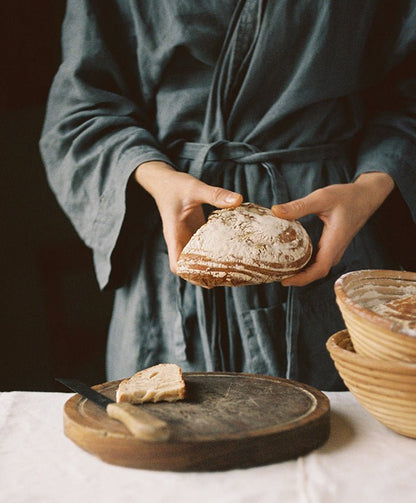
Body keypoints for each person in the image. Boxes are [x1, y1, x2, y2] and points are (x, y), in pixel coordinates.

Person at [40, 0, 416, 390]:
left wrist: (372, 185)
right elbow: (81, 109)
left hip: (331, 228)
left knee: (345, 436)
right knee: (172, 431)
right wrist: (153, 175)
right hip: (181, 231)